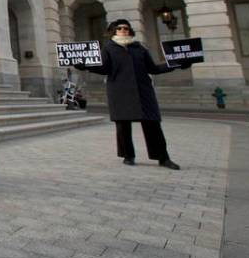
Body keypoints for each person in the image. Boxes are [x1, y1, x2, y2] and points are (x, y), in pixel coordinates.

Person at [75, 19, 188, 169]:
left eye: (126, 28)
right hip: (119, 91)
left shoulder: (139, 48)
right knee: (123, 125)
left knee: (153, 124)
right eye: (120, 28)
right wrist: (84, 66)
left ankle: (163, 158)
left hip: (143, 90)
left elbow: (153, 68)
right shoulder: (109, 48)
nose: (123, 30)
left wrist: (176, 64)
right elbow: (104, 68)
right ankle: (128, 155)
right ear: (114, 31)